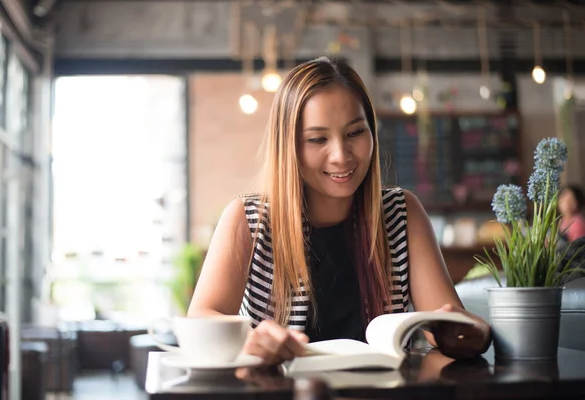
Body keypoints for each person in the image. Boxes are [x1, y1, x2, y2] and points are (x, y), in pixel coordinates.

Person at [187, 56, 491, 365]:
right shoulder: (248, 219)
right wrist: (250, 340)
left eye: (355, 133)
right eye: (318, 139)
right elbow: (201, 316)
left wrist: (468, 331)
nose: (341, 155)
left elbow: (449, 326)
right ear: (288, 146)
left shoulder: (402, 213)